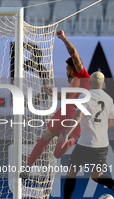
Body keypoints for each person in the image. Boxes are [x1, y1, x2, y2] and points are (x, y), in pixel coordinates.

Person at [21, 30, 91, 179]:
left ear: (75, 68)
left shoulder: (83, 75)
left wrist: (64, 38)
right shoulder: (76, 82)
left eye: (67, 69)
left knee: (45, 140)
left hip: (69, 114)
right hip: (67, 113)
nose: (66, 72)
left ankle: (28, 167)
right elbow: (69, 97)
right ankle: (67, 137)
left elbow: (74, 54)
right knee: (56, 153)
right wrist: (55, 94)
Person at [50, 71, 114, 199]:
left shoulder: (85, 96)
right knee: (96, 176)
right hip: (101, 145)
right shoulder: (108, 98)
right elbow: (113, 122)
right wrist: (98, 125)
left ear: (89, 83)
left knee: (71, 172)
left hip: (85, 144)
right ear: (104, 84)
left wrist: (67, 134)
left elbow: (77, 116)